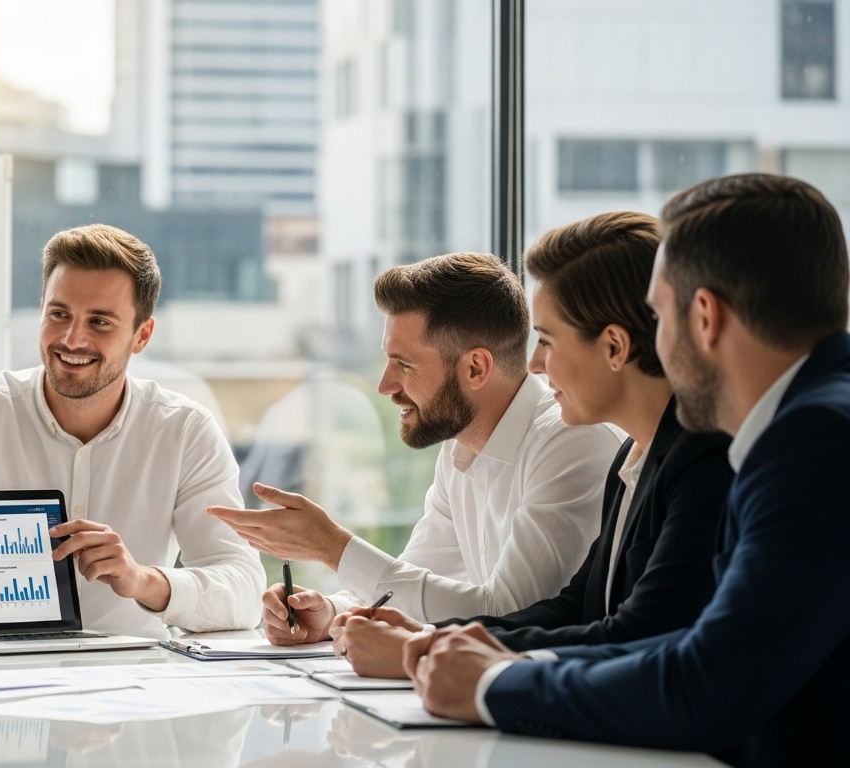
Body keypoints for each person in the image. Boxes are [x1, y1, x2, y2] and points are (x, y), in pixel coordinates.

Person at [402, 174, 850, 768]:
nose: (653, 344)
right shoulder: (806, 424)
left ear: (705, 316)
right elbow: (659, 637)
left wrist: (491, 683)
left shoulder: (812, 440)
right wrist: (463, 654)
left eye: (659, 316)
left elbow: (706, 679)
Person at [331, 213, 733, 678]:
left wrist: (424, 656)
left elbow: (635, 637)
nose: (535, 364)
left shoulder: (695, 460)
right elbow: (575, 610)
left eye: (547, 341)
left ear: (614, 348)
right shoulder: (634, 457)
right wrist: (428, 641)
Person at [0, 224, 265, 639]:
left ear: (141, 335)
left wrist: (141, 579)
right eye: (59, 314)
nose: (72, 339)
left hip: (132, 672)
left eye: (100, 322)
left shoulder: (184, 430)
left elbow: (245, 590)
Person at [209, 252, 623, 636]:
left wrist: (332, 547)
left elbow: (509, 613)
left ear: (476, 368)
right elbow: (414, 580)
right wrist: (330, 611)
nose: (385, 385)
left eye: (404, 364)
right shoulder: (460, 445)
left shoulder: (571, 441)